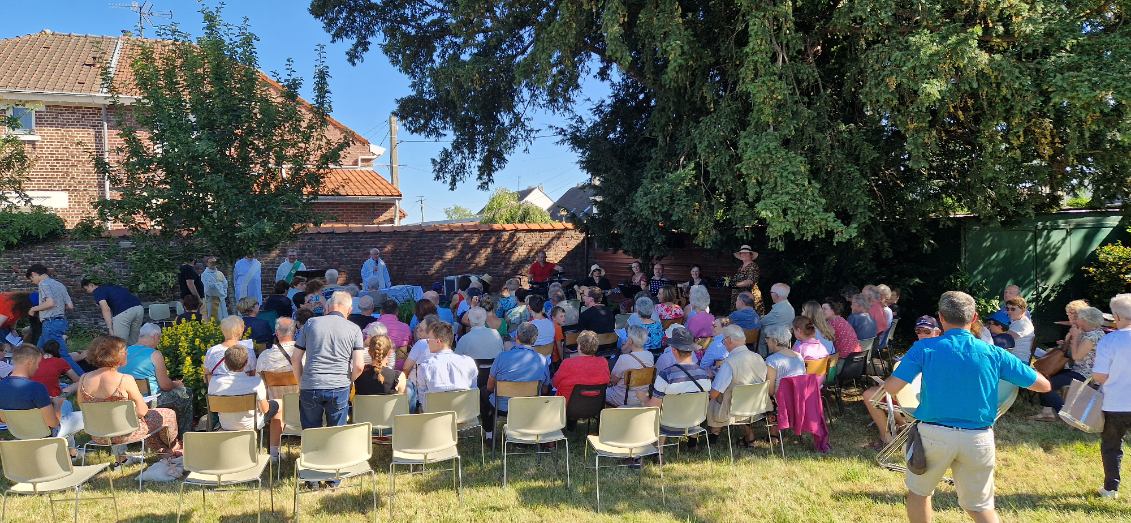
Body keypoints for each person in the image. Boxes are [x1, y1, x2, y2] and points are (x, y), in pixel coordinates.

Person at [882, 291, 1050, 522]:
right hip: (978, 438)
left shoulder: (924, 348)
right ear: (974, 318)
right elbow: (1043, 385)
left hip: (932, 434)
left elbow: (891, 388)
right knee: (980, 507)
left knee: (919, 494)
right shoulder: (994, 353)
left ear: (940, 317)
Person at [78, 335, 182, 460]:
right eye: (123, 351)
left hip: (98, 435)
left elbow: (83, 407)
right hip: (125, 433)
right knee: (167, 414)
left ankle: (161, 450)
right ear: (115, 355)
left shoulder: (83, 378)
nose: (127, 352)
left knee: (149, 418)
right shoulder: (124, 379)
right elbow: (142, 411)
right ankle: (173, 447)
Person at [291, 291, 365, 429]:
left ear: (328, 307)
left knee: (311, 433)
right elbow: (359, 366)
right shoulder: (354, 329)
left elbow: (295, 359)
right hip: (339, 385)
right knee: (336, 433)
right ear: (350, 310)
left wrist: (301, 382)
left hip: (311, 383)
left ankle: (313, 450)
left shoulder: (310, 323)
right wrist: (349, 380)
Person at [863, 319, 941, 447]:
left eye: (926, 331)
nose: (922, 335)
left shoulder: (920, 350)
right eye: (918, 331)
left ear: (937, 333)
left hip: (918, 401)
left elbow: (897, 383)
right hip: (925, 399)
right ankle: (904, 426)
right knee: (886, 391)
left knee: (869, 395)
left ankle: (887, 437)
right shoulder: (944, 350)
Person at [0, 343, 83, 455]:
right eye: (37, 364)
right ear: (29, 363)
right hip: (44, 433)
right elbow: (53, 423)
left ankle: (71, 452)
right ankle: (70, 452)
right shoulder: (37, 388)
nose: (38, 367)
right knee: (75, 413)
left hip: (18, 431)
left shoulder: (2, 385)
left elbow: (3, 418)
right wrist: (58, 404)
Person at [207, 344, 284, 459]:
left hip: (226, 424)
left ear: (225, 362)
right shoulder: (255, 382)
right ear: (246, 362)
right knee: (280, 405)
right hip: (250, 425)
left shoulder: (214, 382)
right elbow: (265, 409)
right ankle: (274, 453)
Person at [119, 323, 194, 437]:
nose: (158, 342)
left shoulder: (125, 351)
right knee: (186, 393)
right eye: (159, 338)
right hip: (149, 400)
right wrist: (177, 384)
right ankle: (184, 435)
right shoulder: (155, 354)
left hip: (128, 400)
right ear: (155, 337)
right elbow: (165, 386)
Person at [1032, 306, 1104, 422]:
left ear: (1086, 320)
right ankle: (1047, 412)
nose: (1076, 320)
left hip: (1085, 375)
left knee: (1045, 385)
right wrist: (1067, 340)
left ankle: (1066, 415)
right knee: (1045, 376)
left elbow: (1076, 356)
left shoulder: (1092, 337)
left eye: (1079, 318)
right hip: (1078, 370)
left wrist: (1075, 338)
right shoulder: (1094, 332)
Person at [643, 325, 711, 442]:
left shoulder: (666, 375)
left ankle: (660, 452)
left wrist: (643, 398)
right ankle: (692, 443)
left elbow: (654, 407)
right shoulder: (704, 375)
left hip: (668, 423)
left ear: (674, 350)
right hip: (695, 421)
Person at [486, 323, 551, 438]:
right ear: (535, 340)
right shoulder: (542, 360)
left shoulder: (502, 357)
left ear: (516, 336)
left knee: (483, 393)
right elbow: (545, 389)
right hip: (530, 407)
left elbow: (489, 387)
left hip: (503, 407)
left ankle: (489, 435)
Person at [1095, 293, 1131, 498]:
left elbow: (1100, 376)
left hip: (1115, 403)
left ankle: (1110, 488)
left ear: (1116, 316)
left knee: (1112, 446)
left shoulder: (1109, 341)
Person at [707, 324, 768, 441]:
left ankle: (714, 434)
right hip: (755, 405)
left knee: (713, 398)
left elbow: (714, 393)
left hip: (733, 408)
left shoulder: (729, 363)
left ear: (729, 340)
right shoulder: (758, 357)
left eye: (723, 340)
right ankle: (749, 435)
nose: (723, 343)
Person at [26, 264, 81, 375]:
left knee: (62, 354)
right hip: (60, 322)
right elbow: (70, 306)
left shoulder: (43, 284)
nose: (33, 282)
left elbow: (50, 303)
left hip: (50, 323)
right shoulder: (59, 284)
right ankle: (35, 375)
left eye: (31, 279)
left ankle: (84, 378)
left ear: (34, 274)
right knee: (38, 350)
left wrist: (33, 309)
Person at [415, 321, 477, 411]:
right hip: (465, 415)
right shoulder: (469, 362)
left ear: (438, 341)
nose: (427, 343)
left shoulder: (426, 367)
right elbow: (473, 391)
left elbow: (423, 400)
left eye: (428, 340)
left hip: (437, 419)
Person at [553, 330, 611, 404]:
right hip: (594, 405)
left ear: (579, 346)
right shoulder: (603, 362)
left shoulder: (567, 363)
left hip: (567, 406)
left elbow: (555, 383)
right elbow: (607, 381)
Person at [82, 279, 144, 345]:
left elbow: (106, 309)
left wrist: (110, 328)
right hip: (139, 308)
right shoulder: (113, 287)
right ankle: (134, 354)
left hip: (124, 312)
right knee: (133, 341)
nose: (88, 292)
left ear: (91, 285)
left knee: (119, 343)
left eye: (86, 289)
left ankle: (121, 355)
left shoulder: (98, 291)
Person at [607, 325, 656, 407]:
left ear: (630, 340)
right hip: (643, 397)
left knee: (601, 391)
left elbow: (613, 380)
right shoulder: (650, 355)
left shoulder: (624, 358)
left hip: (623, 399)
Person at [255, 317, 300, 400]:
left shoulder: (264, 357)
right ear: (295, 332)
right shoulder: (304, 354)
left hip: (275, 407)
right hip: (300, 406)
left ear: (276, 333)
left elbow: (258, 383)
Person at [204, 316, 257, 383]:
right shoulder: (248, 352)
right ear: (240, 331)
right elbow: (253, 375)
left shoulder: (211, 351)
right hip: (243, 390)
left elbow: (206, 377)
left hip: (219, 391)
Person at [354, 329, 406, 396]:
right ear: (390, 353)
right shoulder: (398, 377)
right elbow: (401, 402)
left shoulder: (358, 375)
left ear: (369, 352)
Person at [764, 324, 805, 395]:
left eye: (767, 338)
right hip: (798, 396)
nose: (766, 341)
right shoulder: (799, 356)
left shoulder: (772, 360)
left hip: (782, 399)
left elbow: (770, 392)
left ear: (775, 341)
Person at [757, 283, 795, 355]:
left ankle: (762, 358)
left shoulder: (779, 309)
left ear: (776, 295)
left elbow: (762, 322)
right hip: (785, 338)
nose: (770, 294)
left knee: (759, 331)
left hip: (774, 339)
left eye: (771, 292)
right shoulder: (789, 307)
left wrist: (760, 318)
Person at [730, 245, 764, 313]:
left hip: (749, 297)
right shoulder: (741, 267)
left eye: (746, 253)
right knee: (737, 319)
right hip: (739, 297)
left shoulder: (753, 266)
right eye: (742, 253)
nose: (743, 254)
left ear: (751, 255)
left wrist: (735, 284)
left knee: (747, 317)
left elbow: (750, 281)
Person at [1004, 296, 1035, 362]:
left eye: (1013, 309)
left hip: (1017, 361)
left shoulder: (1022, 323)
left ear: (1023, 310)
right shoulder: (1019, 321)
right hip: (1014, 358)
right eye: (1007, 309)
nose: (1009, 311)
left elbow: (1005, 341)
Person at [201, 256, 229, 321]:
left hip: (221, 300)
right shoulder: (205, 275)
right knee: (213, 319)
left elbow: (225, 285)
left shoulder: (220, 273)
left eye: (214, 262)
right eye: (211, 262)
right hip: (211, 300)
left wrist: (222, 292)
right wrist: (219, 287)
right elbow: (208, 288)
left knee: (223, 317)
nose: (213, 264)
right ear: (207, 263)